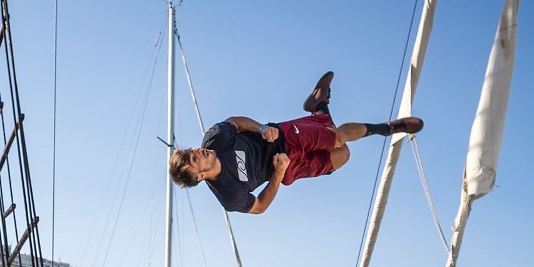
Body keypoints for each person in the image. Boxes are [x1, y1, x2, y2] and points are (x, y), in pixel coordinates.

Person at [168, 71, 423, 214]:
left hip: (284, 137)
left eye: (191, 150)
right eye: (193, 158)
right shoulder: (229, 195)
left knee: (337, 137)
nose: (197, 151)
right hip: (288, 169)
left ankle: (389, 128)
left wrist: (261, 128)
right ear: (200, 176)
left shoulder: (214, 139)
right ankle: (319, 106)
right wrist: (278, 173)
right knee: (343, 155)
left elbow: (236, 122)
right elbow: (260, 207)